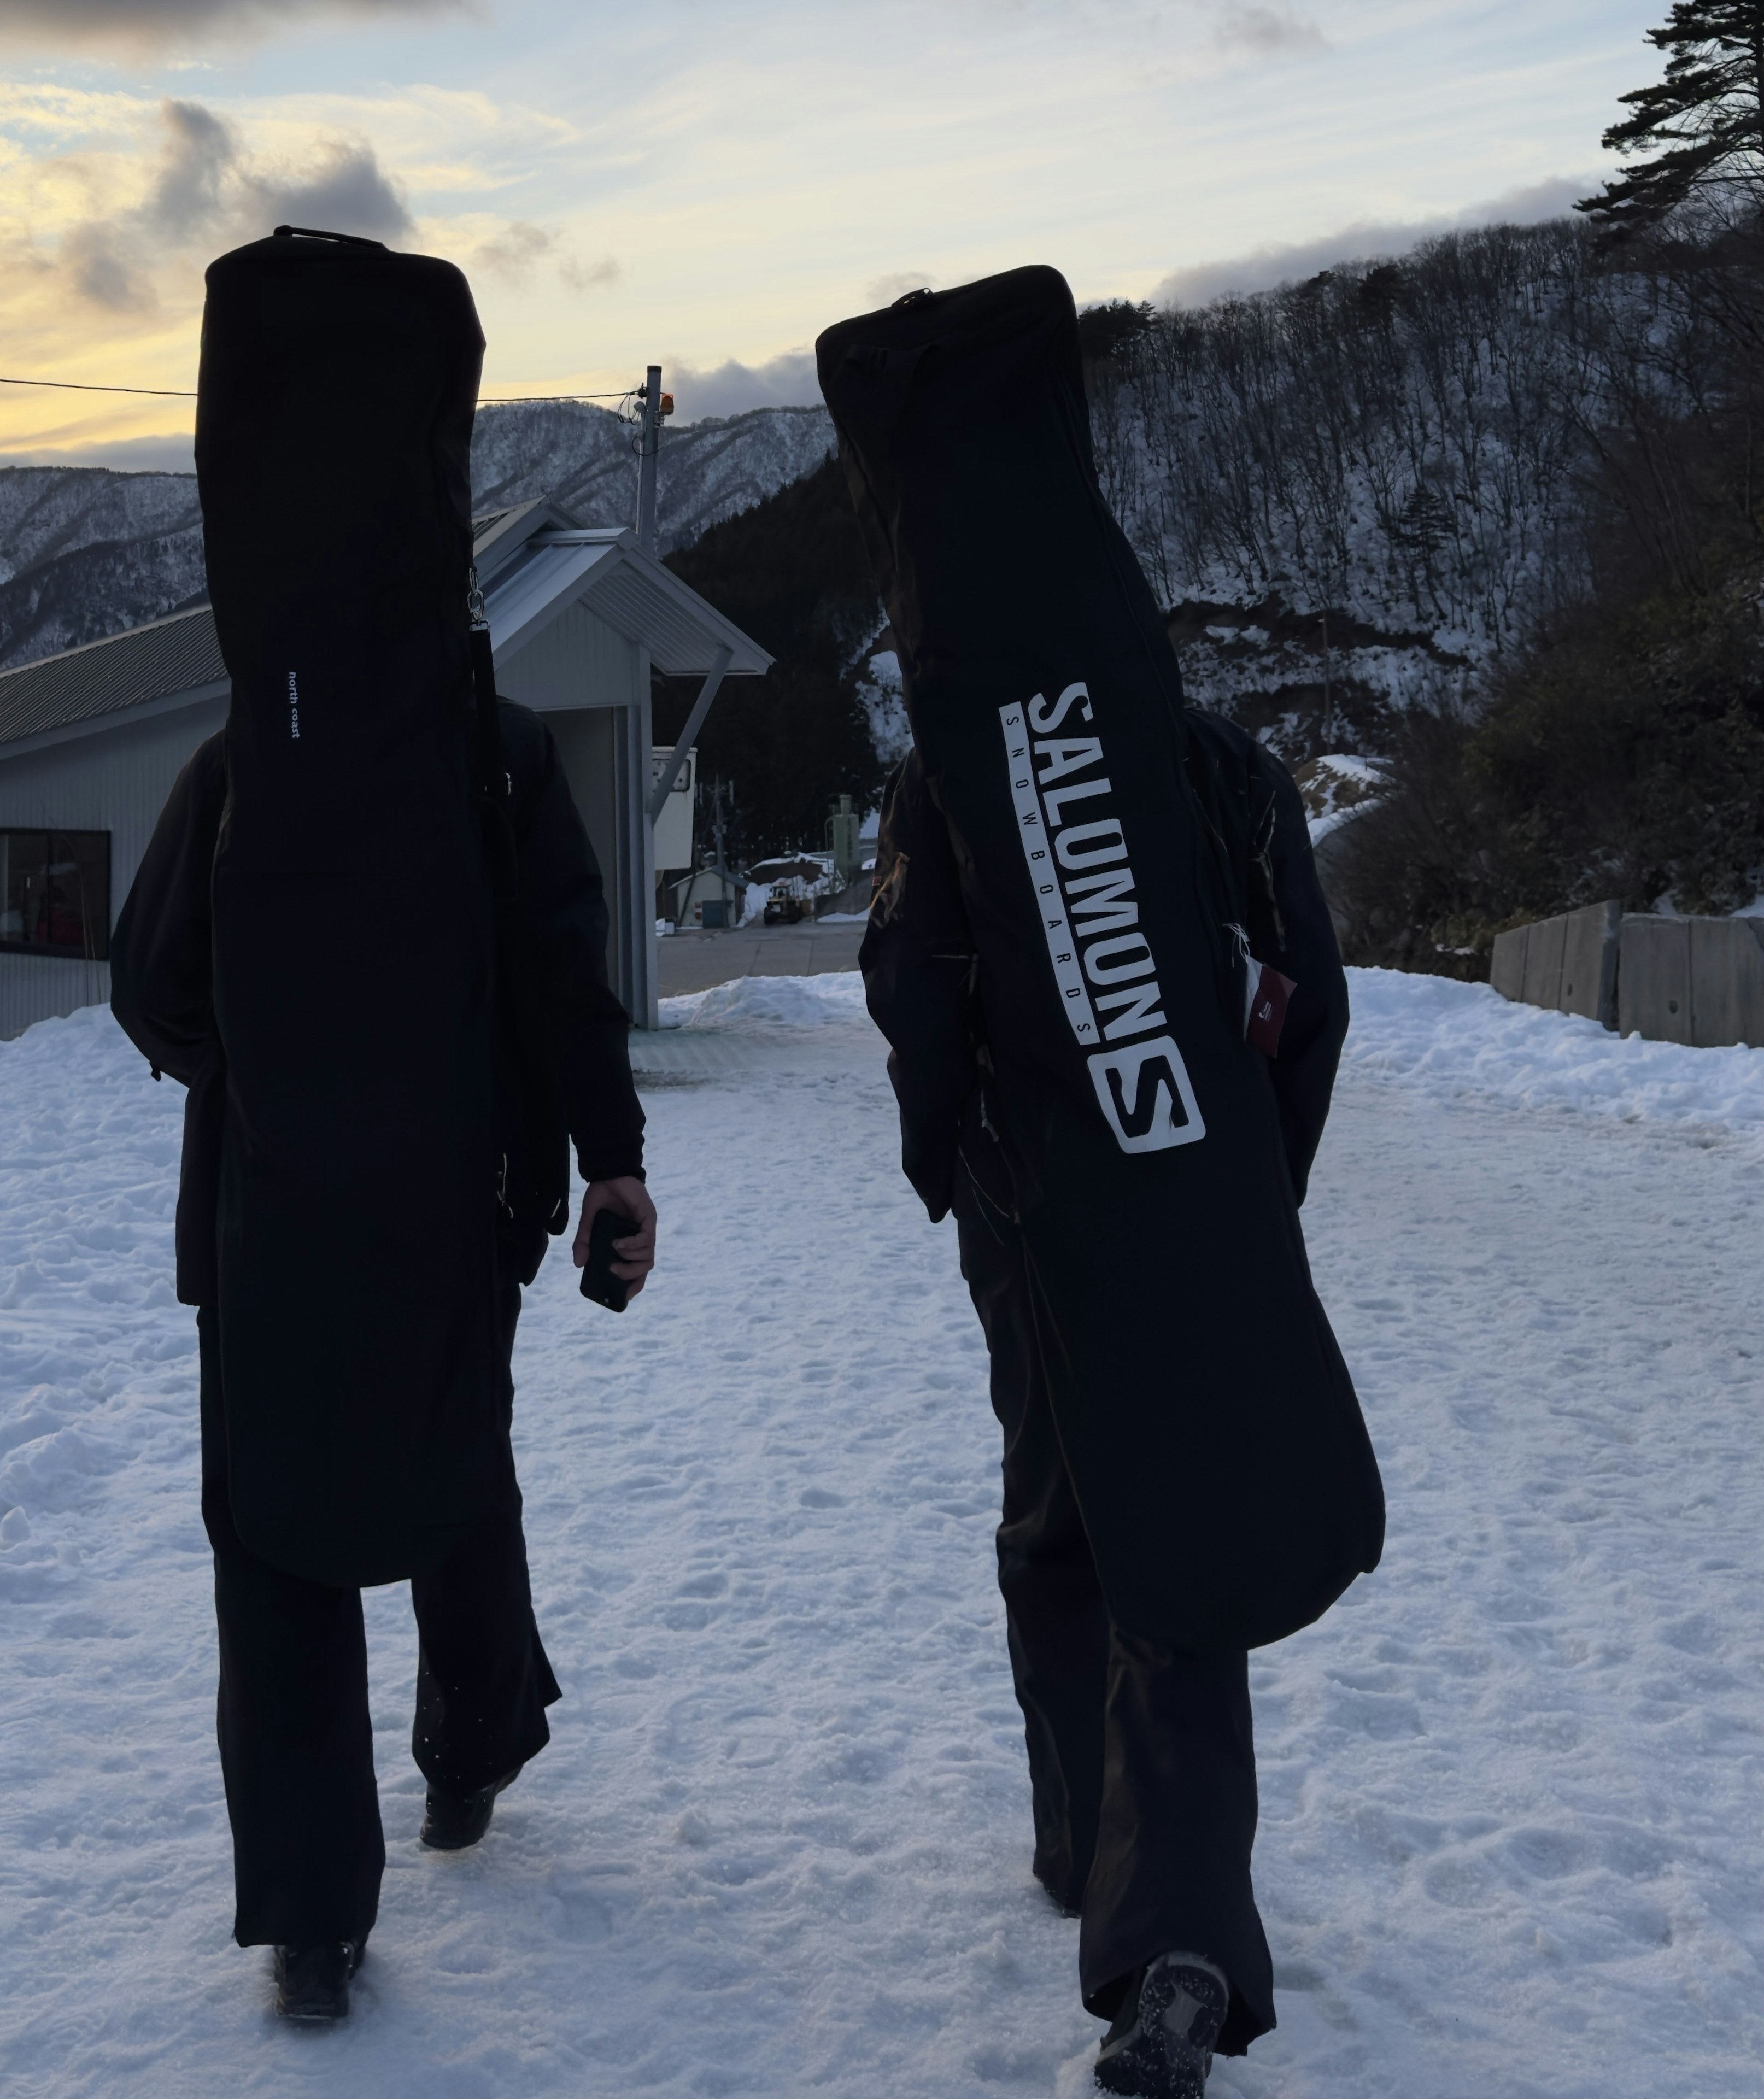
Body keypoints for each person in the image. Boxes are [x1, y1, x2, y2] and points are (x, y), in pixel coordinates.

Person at [822, 266, 1380, 2099]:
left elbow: (910, 1006)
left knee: (1078, 1522)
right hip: (1191, 1208)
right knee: (1151, 1532)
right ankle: (1144, 1897)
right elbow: (1314, 996)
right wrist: (1241, 1196)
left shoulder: (947, 787)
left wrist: (971, 1180)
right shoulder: (1213, 767)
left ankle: (1127, 1892)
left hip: (1043, 1229)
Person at [112, 696, 653, 2022]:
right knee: (456, 1462)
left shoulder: (241, 757)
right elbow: (563, 975)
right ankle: (468, 1757)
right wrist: (610, 1159)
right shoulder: (500, 755)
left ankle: (310, 1923)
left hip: (267, 1212)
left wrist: (265, 1082)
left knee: (276, 1532)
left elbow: (151, 985)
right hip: (464, 1194)